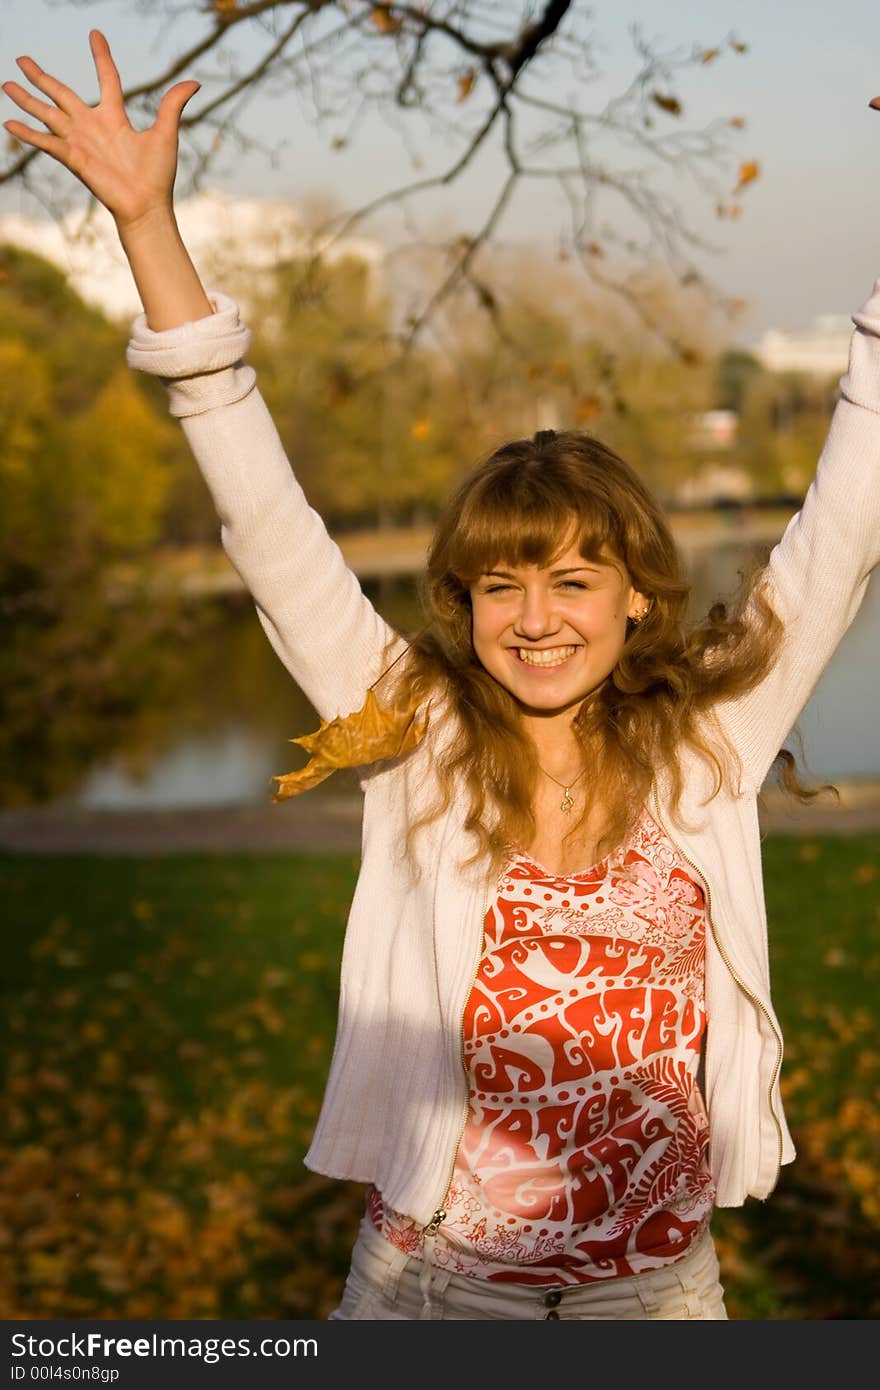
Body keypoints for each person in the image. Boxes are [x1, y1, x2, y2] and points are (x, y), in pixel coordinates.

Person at [4, 31, 879, 1323]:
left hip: (658, 1291)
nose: (533, 620)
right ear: (463, 604)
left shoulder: (711, 739)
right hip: (432, 1290)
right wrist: (148, 226)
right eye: (499, 585)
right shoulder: (413, 730)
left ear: (638, 595)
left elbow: (845, 529)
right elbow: (266, 518)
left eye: (573, 581)